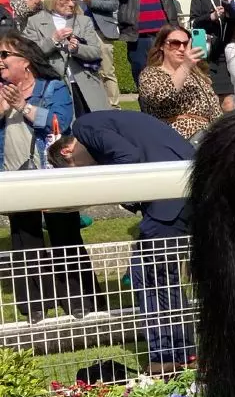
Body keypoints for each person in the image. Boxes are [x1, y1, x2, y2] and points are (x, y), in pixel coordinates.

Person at [47, 110, 196, 374]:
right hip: (181, 189)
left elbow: (129, 157)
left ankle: (165, 358)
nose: (89, 171)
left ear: (68, 151)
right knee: (162, 277)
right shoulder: (103, 126)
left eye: (80, 170)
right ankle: (182, 353)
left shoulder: (84, 126)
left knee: (148, 276)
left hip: (169, 199)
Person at [0, 31, 100, 322]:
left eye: (5, 55)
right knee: (24, 236)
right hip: (14, 173)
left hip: (51, 171)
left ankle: (80, 300)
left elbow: (61, 122)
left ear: (26, 61)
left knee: (64, 232)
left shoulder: (53, 87)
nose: (0, 61)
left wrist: (24, 106)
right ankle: (34, 306)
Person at [22, 0, 110, 116]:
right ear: (53, 0)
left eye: (73, 0)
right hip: (54, 85)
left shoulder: (83, 21)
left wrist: (77, 49)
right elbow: (29, 54)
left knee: (95, 126)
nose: (71, 4)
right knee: (63, 130)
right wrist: (53, 40)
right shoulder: (34, 22)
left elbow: (96, 52)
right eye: (66, 0)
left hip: (85, 83)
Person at [136, 24, 222, 142]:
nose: (182, 49)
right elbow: (160, 97)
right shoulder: (151, 73)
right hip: (173, 135)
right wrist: (185, 66)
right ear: (161, 46)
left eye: (186, 44)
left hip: (207, 136)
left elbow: (215, 111)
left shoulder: (197, 75)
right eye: (175, 43)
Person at [68, 0, 122, 108]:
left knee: (107, 72)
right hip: (80, 32)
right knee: (85, 72)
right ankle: (93, 105)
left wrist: (92, 3)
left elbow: (114, 5)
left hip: (101, 31)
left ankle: (114, 107)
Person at [188, 0, 235, 111]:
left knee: (229, 103)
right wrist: (210, 17)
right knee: (207, 104)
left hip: (229, 56)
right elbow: (193, 22)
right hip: (206, 55)